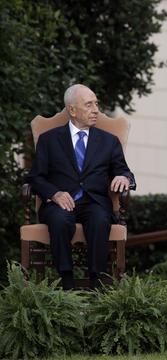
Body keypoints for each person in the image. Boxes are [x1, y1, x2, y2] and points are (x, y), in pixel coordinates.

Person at [26, 84, 136, 289]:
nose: (96, 109)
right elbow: (35, 178)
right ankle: (66, 281)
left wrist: (124, 178)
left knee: (99, 220)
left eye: (96, 104)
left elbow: (123, 170)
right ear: (72, 110)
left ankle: (97, 283)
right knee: (59, 221)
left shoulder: (109, 141)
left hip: (94, 201)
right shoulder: (49, 140)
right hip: (59, 203)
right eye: (89, 105)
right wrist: (55, 194)